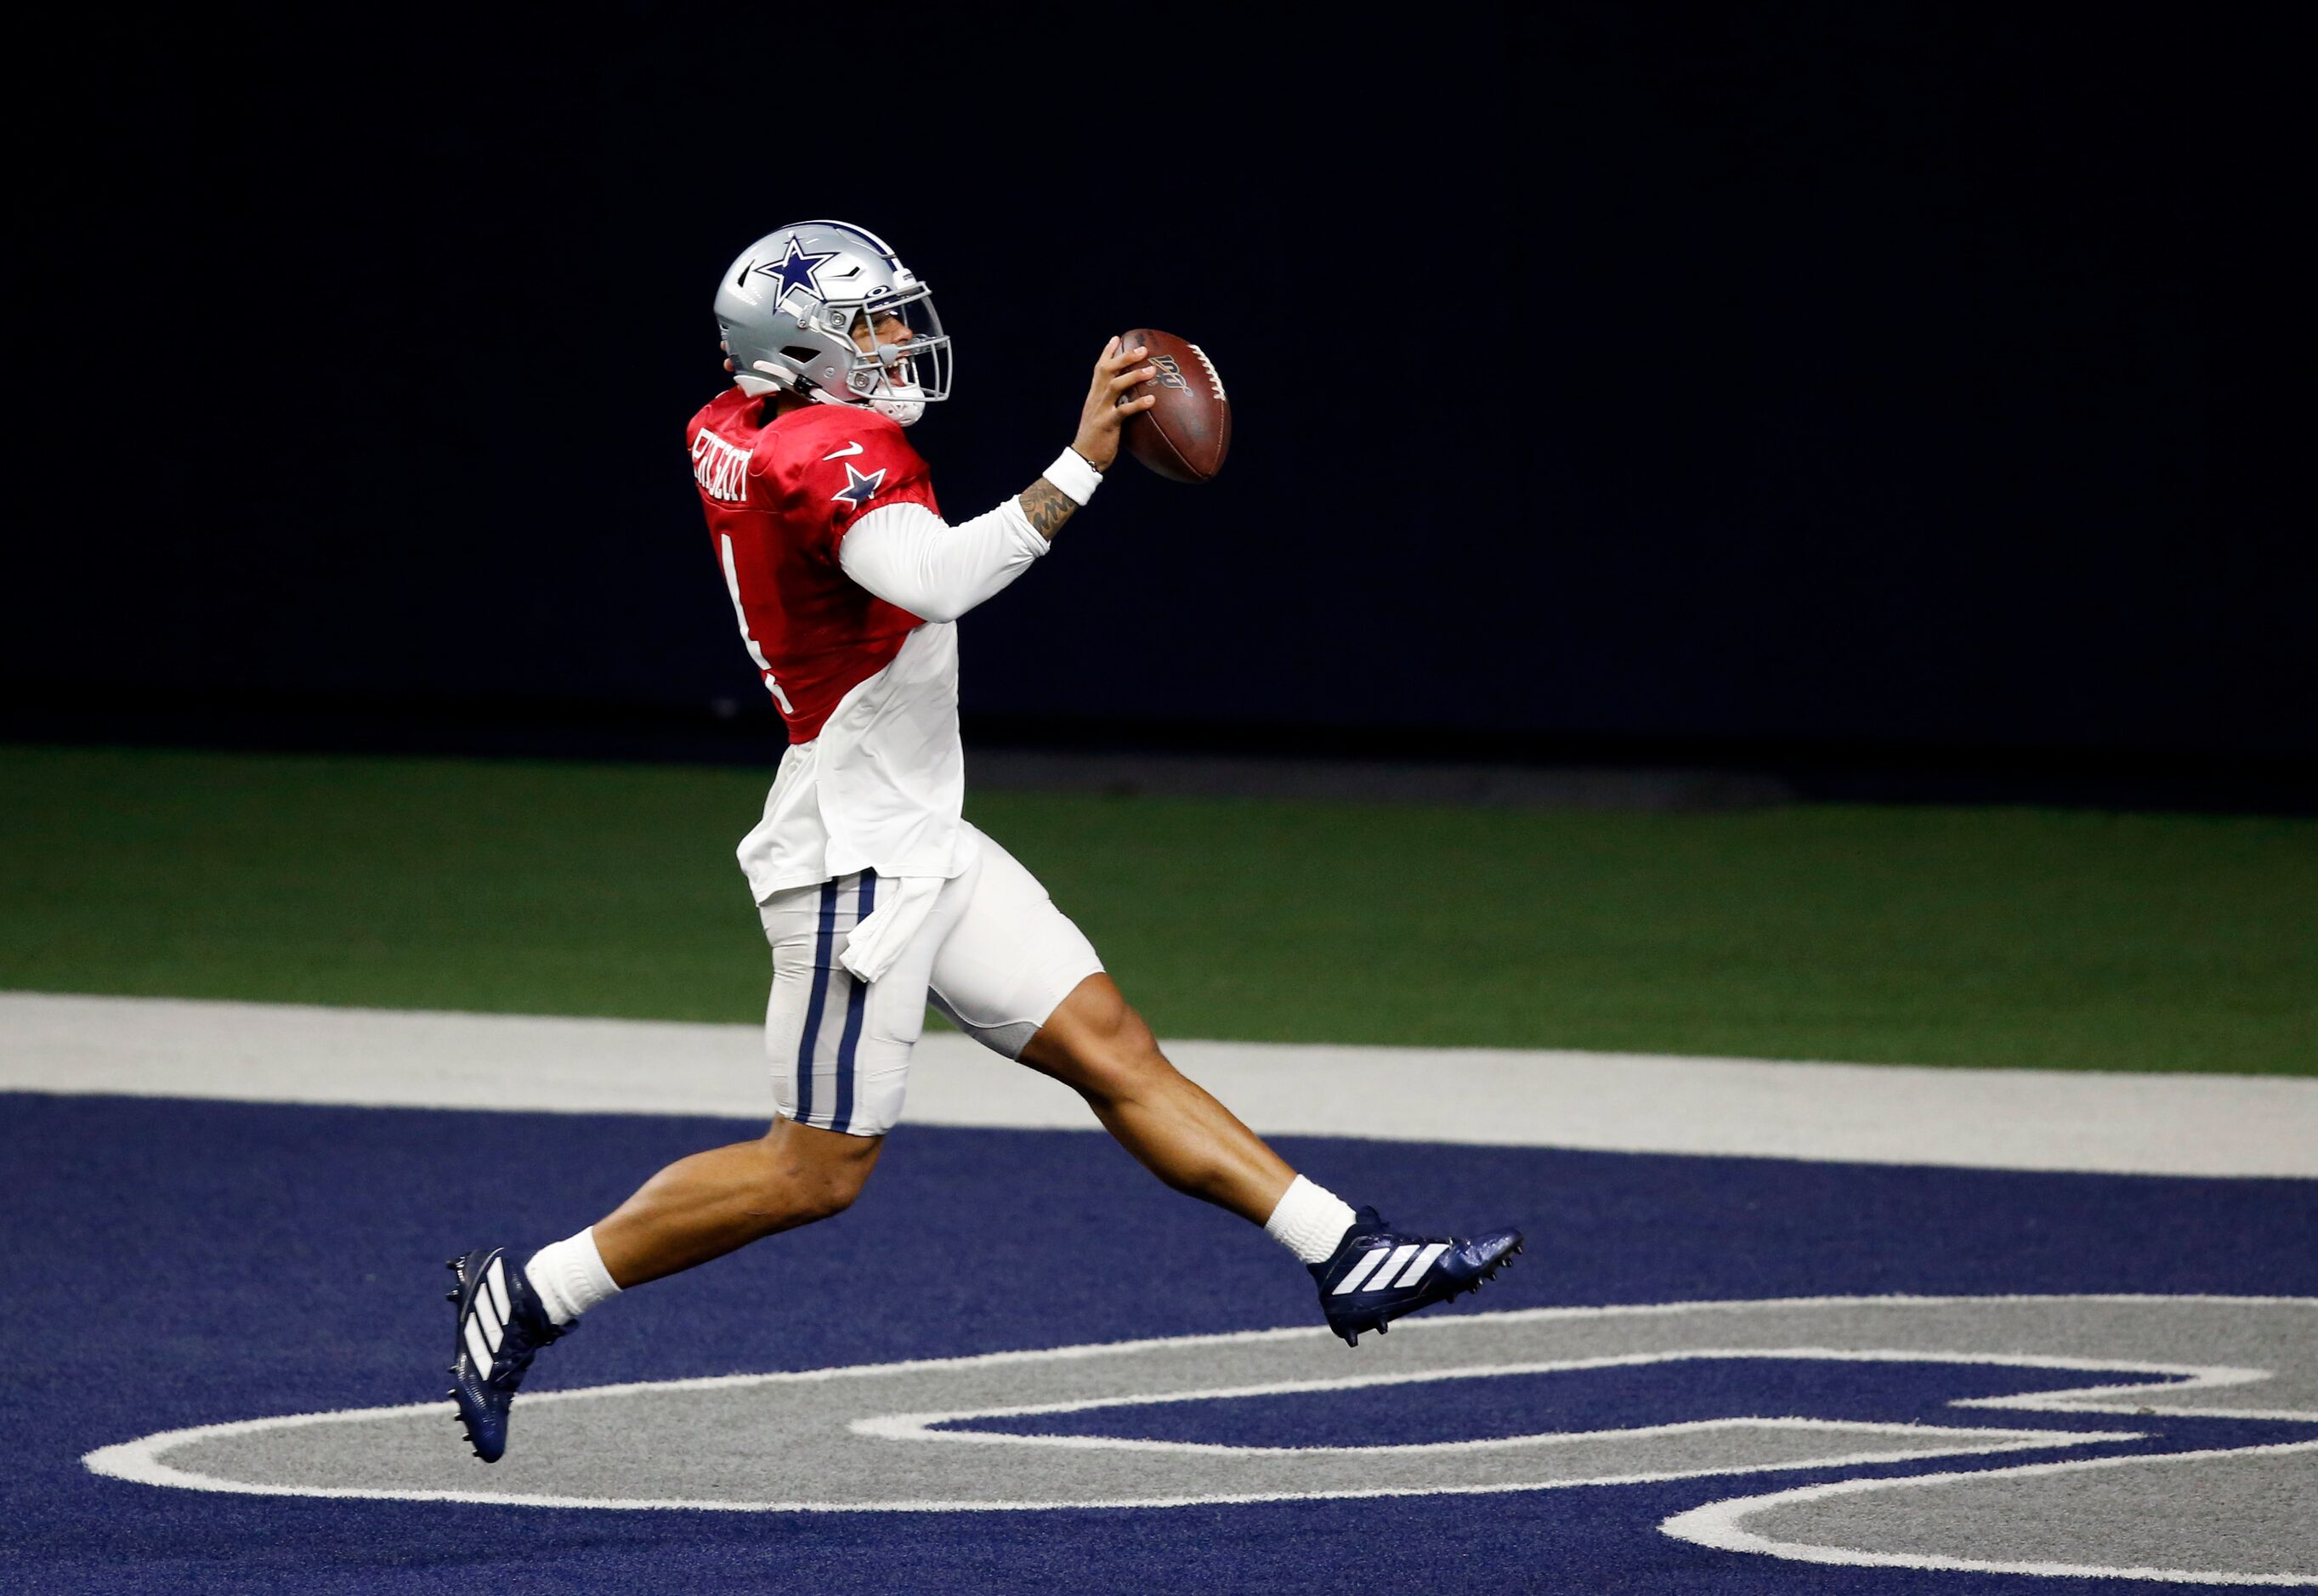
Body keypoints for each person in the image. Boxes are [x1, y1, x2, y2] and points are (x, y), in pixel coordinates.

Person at [443, 220, 1522, 1463]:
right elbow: (940, 578)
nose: (901, 340)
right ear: (797, 347)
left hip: (917, 835)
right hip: (858, 860)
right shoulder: (824, 449)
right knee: (812, 1170)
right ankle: (528, 1291)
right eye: (875, 322)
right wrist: (1087, 459)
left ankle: (1345, 1248)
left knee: (1113, 1048)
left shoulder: (740, 425)